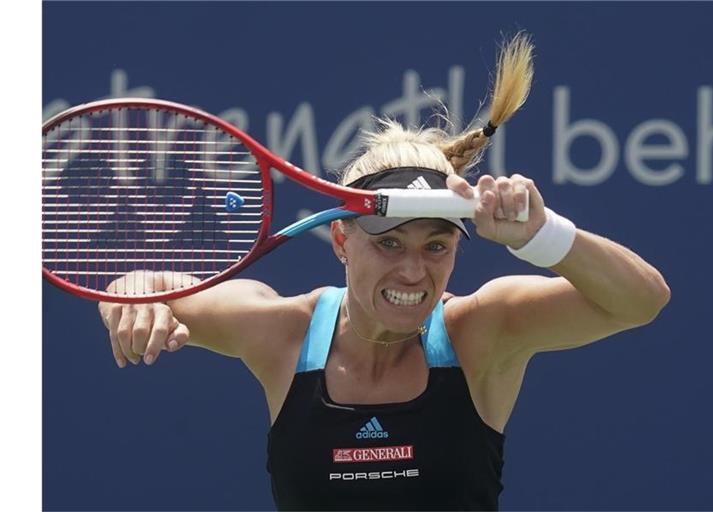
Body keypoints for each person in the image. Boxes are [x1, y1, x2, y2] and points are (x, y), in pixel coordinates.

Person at [98, 33, 670, 511]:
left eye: (436, 246)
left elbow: (642, 301)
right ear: (342, 239)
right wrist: (129, 301)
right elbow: (144, 285)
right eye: (390, 242)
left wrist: (545, 237)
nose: (413, 271)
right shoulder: (281, 333)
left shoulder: (483, 332)